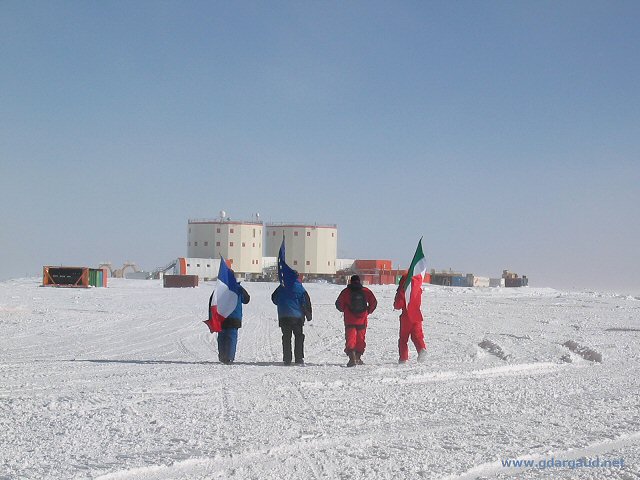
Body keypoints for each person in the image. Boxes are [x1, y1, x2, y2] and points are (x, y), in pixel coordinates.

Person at [335, 275, 377, 367]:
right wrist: (367, 311)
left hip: (349, 319)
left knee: (350, 339)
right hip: (362, 319)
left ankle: (352, 358)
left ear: (350, 281)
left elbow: (338, 304)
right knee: (360, 339)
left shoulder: (346, 292)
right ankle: (358, 357)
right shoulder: (366, 291)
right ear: (359, 281)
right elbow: (374, 302)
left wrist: (345, 310)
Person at [271, 273, 312, 365]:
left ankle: (287, 359)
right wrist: (308, 314)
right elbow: (306, 302)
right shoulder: (300, 288)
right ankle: (299, 358)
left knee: (286, 337)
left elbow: (274, 299)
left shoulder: (281, 287)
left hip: (284, 316)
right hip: (297, 317)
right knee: (299, 336)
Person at [209, 276, 250, 364]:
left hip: (221, 317)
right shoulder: (238, 288)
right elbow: (246, 299)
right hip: (234, 317)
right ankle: (229, 357)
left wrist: (212, 319)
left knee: (222, 337)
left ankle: (222, 356)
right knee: (231, 338)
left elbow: (212, 302)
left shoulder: (219, 288)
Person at [394, 274, 427, 364]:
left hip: (406, 316)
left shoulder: (403, 290)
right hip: (417, 315)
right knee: (417, 336)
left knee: (403, 339)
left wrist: (396, 300)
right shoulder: (418, 288)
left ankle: (403, 358)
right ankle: (421, 349)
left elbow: (398, 305)